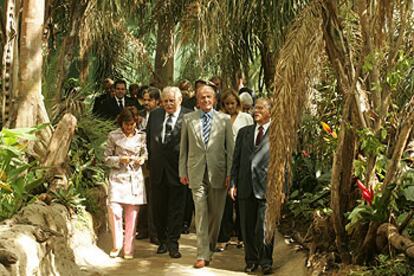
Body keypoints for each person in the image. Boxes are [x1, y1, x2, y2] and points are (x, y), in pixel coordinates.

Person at [179, 82, 234, 269]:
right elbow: (183, 149)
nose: (206, 100)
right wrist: (182, 171)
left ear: (215, 99)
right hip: (196, 172)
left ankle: (209, 247)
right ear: (197, 100)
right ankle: (202, 253)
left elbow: (231, 151)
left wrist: (230, 174)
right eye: (202, 97)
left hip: (218, 173)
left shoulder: (225, 120)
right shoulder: (188, 119)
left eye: (209, 97)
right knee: (200, 213)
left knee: (215, 215)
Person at [229, 98, 274, 274]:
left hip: (268, 188)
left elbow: (284, 165)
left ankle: (266, 261)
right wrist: (233, 183)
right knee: (247, 227)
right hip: (245, 186)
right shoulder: (244, 132)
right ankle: (251, 260)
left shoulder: (278, 133)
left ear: (270, 111)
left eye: (261, 108)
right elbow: (236, 160)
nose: (256, 110)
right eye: (255, 107)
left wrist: (283, 189)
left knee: (264, 227)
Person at [146, 86, 191, 258]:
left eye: (171, 100)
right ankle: (162, 241)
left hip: (179, 171)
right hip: (158, 171)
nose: (168, 104)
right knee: (159, 208)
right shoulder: (156, 114)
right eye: (165, 101)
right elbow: (150, 140)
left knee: (176, 209)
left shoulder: (188, 116)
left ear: (179, 100)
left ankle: (173, 243)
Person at [104, 107, 148, 259]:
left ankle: (129, 248)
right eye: (126, 124)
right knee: (114, 210)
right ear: (121, 123)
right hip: (117, 177)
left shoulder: (142, 136)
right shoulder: (113, 136)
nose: (129, 127)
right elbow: (106, 158)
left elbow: (145, 153)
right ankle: (117, 244)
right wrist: (119, 160)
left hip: (134, 178)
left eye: (132, 124)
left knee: (132, 215)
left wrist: (142, 159)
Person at [216, 90, 253, 251]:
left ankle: (242, 237)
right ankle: (223, 237)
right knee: (225, 204)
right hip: (224, 163)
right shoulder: (218, 117)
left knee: (241, 202)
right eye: (227, 104)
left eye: (233, 103)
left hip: (242, 163)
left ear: (238, 103)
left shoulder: (246, 118)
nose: (230, 106)